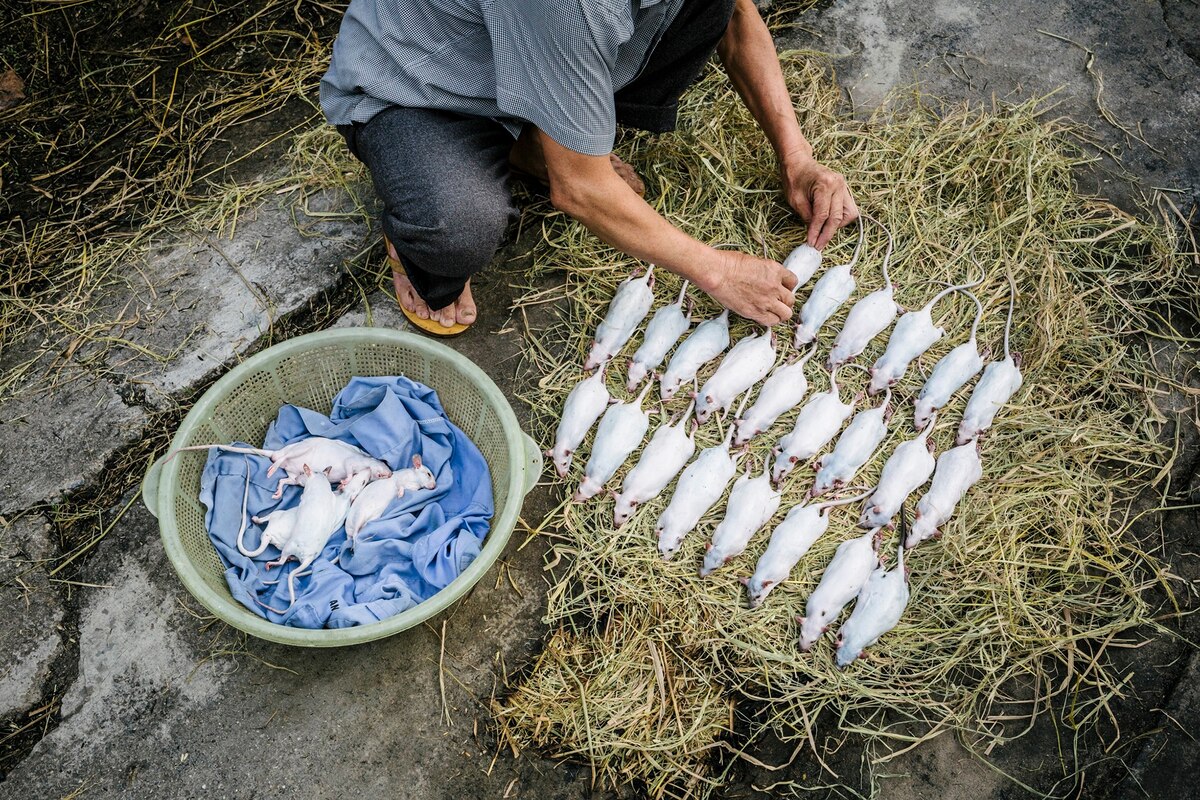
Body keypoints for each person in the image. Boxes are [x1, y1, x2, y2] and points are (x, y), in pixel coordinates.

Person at [320, 0, 858, 334]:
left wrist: (798, 159)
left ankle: (542, 135)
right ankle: (422, 238)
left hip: (532, 48)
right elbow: (579, 191)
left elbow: (738, 16)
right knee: (457, 226)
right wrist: (717, 271)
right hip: (422, 84)